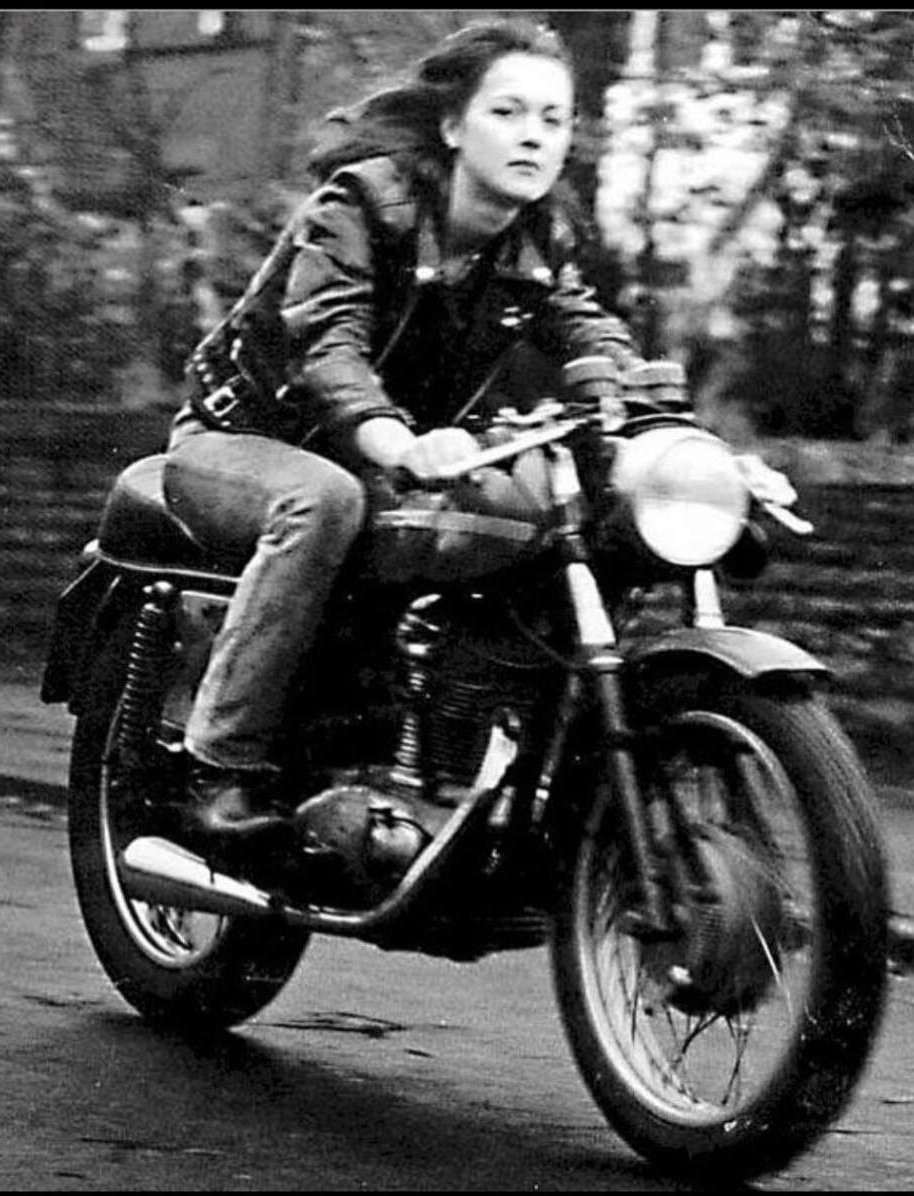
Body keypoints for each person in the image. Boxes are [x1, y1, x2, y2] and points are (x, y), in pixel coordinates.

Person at [162, 18, 646, 862]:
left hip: (377, 447)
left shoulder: (539, 242)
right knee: (324, 499)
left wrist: (635, 412)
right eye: (509, 111)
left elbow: (587, 330)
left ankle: (447, 765)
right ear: (455, 126)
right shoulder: (361, 202)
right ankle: (218, 769)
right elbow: (329, 341)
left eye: (554, 119)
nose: (534, 134)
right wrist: (394, 437)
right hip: (241, 438)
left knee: (559, 519)